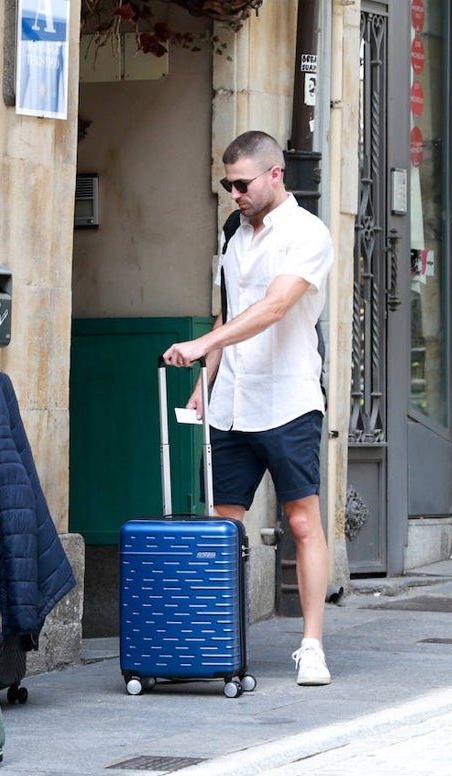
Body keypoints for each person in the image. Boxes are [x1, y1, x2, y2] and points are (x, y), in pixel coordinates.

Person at [162, 130, 334, 687]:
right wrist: (204, 384)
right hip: (232, 402)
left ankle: (311, 646)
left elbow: (273, 308)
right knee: (222, 527)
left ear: (275, 174)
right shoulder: (235, 235)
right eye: (226, 184)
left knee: (302, 521)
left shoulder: (308, 234)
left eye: (241, 183)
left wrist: (201, 348)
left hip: (287, 399)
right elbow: (228, 315)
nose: (233, 193)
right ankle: (216, 639)